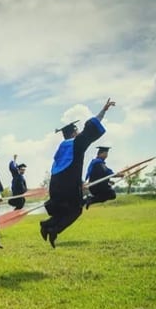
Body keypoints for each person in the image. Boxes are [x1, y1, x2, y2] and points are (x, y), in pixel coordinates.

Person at [40, 98, 115, 248]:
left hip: (55, 185)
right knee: (76, 210)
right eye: (77, 130)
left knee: (63, 210)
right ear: (74, 132)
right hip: (68, 187)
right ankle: (53, 230)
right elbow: (91, 127)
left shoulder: (61, 148)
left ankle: (47, 225)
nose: (79, 132)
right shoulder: (76, 143)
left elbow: (68, 168)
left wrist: (80, 182)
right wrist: (104, 110)